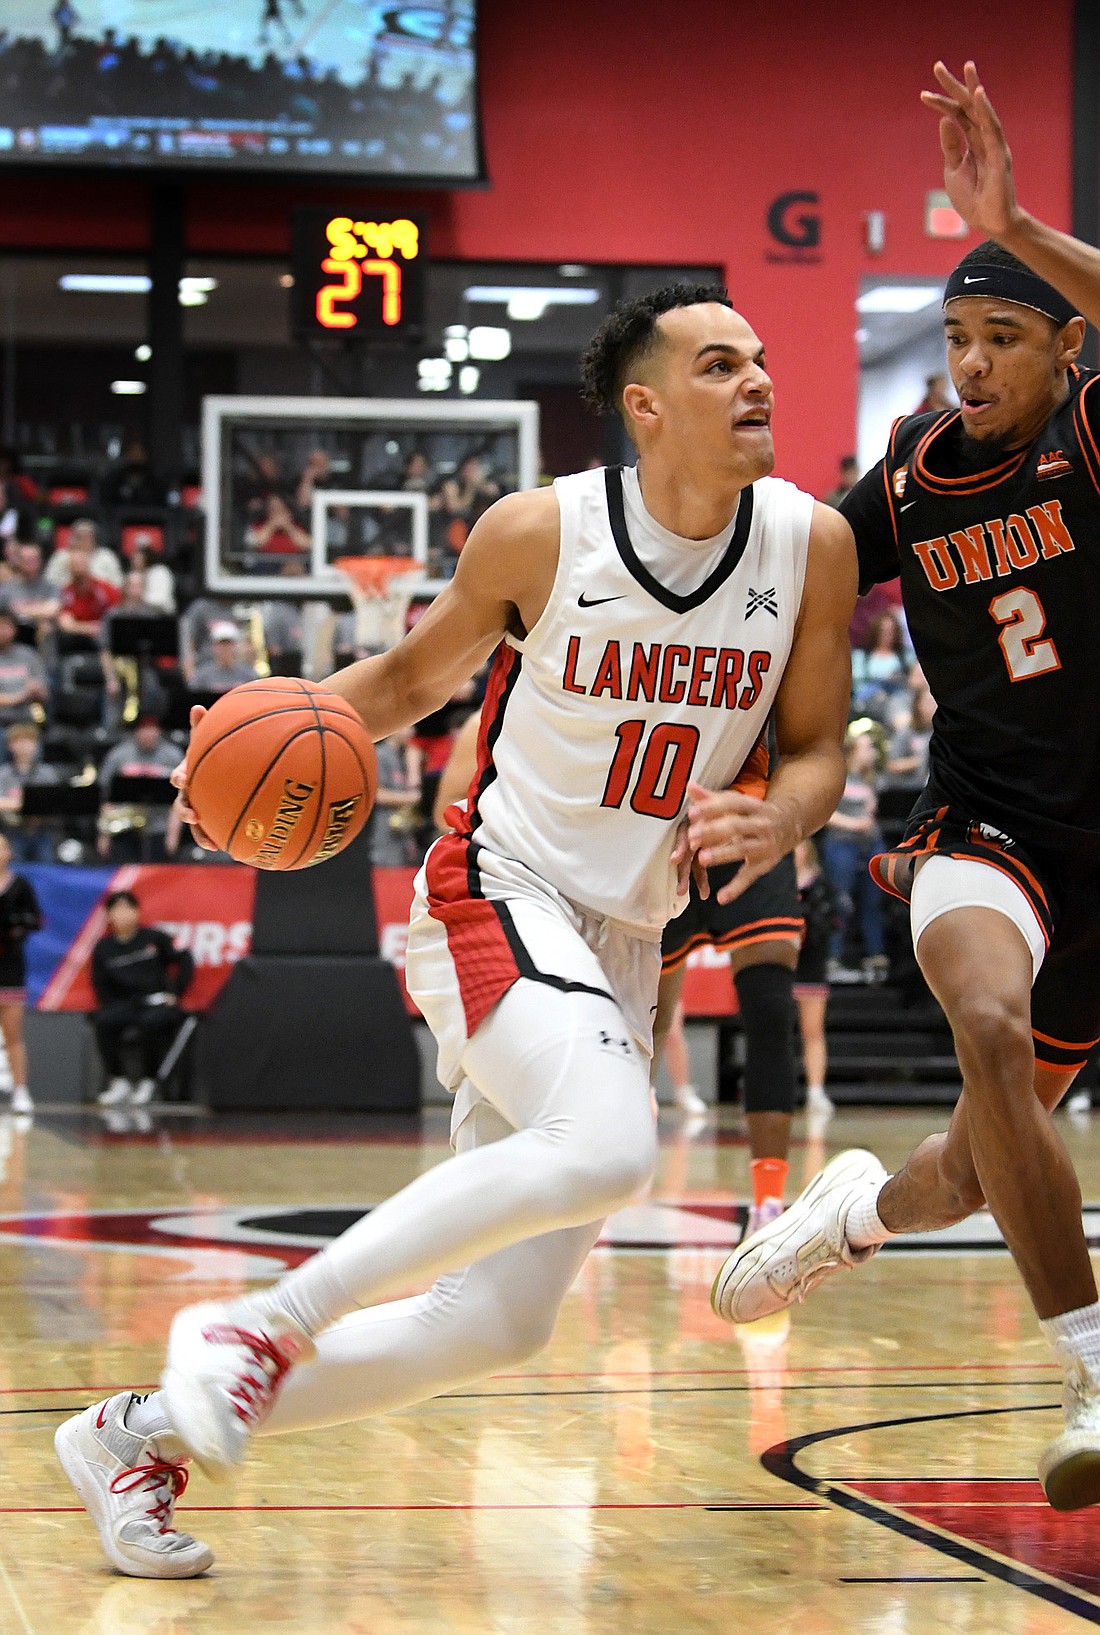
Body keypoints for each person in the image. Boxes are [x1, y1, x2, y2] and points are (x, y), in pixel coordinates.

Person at [55, 282, 856, 1578]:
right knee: (605, 1143)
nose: (759, 379)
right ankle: (258, 1320)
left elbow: (814, 749)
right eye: (721, 365)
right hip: (498, 883)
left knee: (494, 1322)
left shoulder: (809, 543)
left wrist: (785, 817)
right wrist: (240, 761)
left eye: (761, 357)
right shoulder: (542, 532)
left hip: (630, 932)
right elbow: (408, 682)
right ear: (645, 405)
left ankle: (132, 1434)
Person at [711, 60, 1100, 1514]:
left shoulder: (1093, 441)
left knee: (967, 1170)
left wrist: (1021, 218)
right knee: (988, 1025)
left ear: (1069, 348)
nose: (975, 364)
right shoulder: (911, 484)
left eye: (1006, 336)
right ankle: (1088, 1360)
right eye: (957, 338)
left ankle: (853, 1214)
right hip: (987, 827)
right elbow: (766, 575)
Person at [656, 817, 807, 1231]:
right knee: (648, 1026)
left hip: (751, 835)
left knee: (771, 1013)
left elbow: (814, 760)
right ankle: (605, 1187)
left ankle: (768, 1207)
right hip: (663, 838)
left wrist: (791, 823)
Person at [91, 890, 194, 1110]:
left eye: (128, 908)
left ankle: (149, 1080)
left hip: (156, 1002)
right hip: (125, 1004)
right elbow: (99, 983)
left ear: (137, 912)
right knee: (104, 1022)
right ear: (108, 915)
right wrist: (111, 1004)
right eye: (116, 909)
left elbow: (184, 959)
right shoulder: (104, 948)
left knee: (151, 1024)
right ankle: (119, 1080)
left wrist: (176, 993)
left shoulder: (154, 939)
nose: (123, 915)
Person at [822, 726, 887, 979]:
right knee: (841, 900)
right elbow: (826, 814)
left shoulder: (872, 779)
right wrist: (855, 824)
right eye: (867, 747)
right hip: (842, 843)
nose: (871, 752)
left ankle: (876, 954)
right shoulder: (838, 777)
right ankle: (834, 956)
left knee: (873, 900)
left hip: (870, 843)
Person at [793, 837, 839, 1122]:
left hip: (810, 966)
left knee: (812, 1032)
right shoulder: (773, 884)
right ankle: (781, 1091)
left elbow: (830, 922)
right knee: (779, 1034)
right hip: (781, 965)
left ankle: (815, 1091)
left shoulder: (820, 885)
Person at [0, 830, 41, 1117]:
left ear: (9, 852)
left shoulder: (21, 885)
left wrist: (17, 926)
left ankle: (21, 1090)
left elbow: (35, 919)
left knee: (13, 1033)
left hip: (10, 964)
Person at [0, 609, 48, 729]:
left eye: (6, 626)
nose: (2, 631)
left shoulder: (28, 655)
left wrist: (37, 690)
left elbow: (45, 694)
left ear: (14, 629)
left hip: (27, 719)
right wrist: (21, 695)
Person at [188, 622, 259, 692]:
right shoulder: (202, 675)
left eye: (228, 644)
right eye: (221, 644)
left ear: (235, 646)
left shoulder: (249, 673)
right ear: (214, 646)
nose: (225, 648)